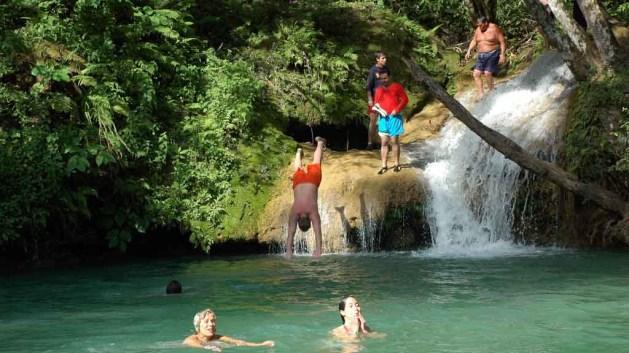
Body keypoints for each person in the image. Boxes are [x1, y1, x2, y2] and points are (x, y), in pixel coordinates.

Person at [286, 136, 326, 257]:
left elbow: (317, 231)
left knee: (316, 162)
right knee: (298, 168)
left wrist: (318, 251)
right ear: (298, 220)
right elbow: (291, 233)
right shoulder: (294, 212)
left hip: (312, 181)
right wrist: (289, 252)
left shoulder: (312, 212)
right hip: (298, 182)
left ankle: (320, 143)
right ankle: (298, 153)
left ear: (309, 220)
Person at [183, 309, 274, 351]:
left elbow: (239, 342)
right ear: (197, 326)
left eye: (213, 321)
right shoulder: (192, 339)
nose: (211, 324)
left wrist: (261, 344)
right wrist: (207, 347)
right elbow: (190, 343)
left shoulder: (217, 337)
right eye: (206, 322)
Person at [373, 70, 408, 175]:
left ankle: (397, 164)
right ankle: (384, 165)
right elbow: (376, 104)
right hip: (383, 118)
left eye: (385, 78)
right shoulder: (378, 90)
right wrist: (377, 110)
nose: (383, 80)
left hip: (395, 118)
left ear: (389, 77)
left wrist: (396, 110)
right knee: (384, 142)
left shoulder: (397, 87)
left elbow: (405, 100)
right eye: (381, 79)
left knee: (394, 141)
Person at [464, 16, 507, 100]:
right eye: (478, 25)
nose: (479, 27)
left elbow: (502, 42)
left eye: (481, 25)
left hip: (493, 53)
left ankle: (492, 91)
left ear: (486, 23)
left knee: (487, 73)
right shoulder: (478, 30)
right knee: (476, 74)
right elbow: (474, 41)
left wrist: (502, 54)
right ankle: (481, 94)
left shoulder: (494, 28)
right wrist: (469, 50)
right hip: (481, 55)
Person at [365, 52, 389, 149]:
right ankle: (370, 143)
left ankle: (382, 142)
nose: (385, 60)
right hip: (375, 99)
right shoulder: (372, 71)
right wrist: (370, 99)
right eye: (383, 58)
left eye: (385, 58)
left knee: (384, 120)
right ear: (377, 59)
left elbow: (388, 81)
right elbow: (368, 86)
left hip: (385, 99)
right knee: (373, 121)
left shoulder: (386, 69)